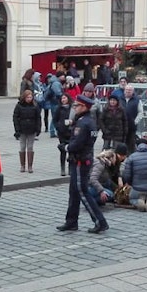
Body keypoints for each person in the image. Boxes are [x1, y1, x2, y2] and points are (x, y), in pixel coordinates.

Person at [57, 95, 108, 234]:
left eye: (77, 106)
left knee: (82, 191)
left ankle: (100, 221)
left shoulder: (83, 123)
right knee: (74, 191)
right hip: (82, 159)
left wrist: (66, 148)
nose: (74, 108)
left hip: (80, 160)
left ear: (84, 107)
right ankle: (71, 221)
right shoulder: (89, 121)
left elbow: (78, 143)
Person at [13, 90, 42, 173]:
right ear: (24, 97)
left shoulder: (35, 106)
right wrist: (17, 129)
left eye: (30, 97)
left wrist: (38, 128)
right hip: (22, 129)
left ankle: (30, 166)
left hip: (32, 128)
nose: (29, 99)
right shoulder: (19, 106)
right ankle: (22, 165)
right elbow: (15, 117)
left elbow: (38, 118)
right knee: (22, 146)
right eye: (27, 97)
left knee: (30, 147)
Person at [55, 93, 74, 176]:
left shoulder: (72, 108)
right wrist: (58, 127)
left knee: (71, 150)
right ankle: (62, 168)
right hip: (62, 132)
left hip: (70, 132)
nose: (63, 100)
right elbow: (55, 120)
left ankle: (70, 168)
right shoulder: (59, 108)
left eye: (65, 98)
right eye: (62, 98)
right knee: (62, 150)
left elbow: (75, 118)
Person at [123, 84, 141, 153]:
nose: (128, 91)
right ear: (124, 91)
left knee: (131, 144)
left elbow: (140, 112)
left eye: (130, 90)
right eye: (127, 90)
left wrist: (135, 122)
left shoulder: (137, 100)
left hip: (132, 127)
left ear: (133, 91)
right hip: (121, 127)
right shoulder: (119, 99)